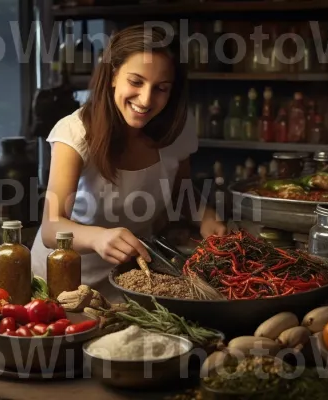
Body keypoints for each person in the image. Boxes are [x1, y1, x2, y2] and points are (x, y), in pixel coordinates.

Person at [30, 24, 227, 303]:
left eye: (161, 88)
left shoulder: (178, 130)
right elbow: (52, 228)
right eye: (136, 82)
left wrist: (206, 216)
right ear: (112, 76)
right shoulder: (73, 133)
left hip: (131, 280)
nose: (146, 100)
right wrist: (98, 238)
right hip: (63, 283)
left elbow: (181, 195)